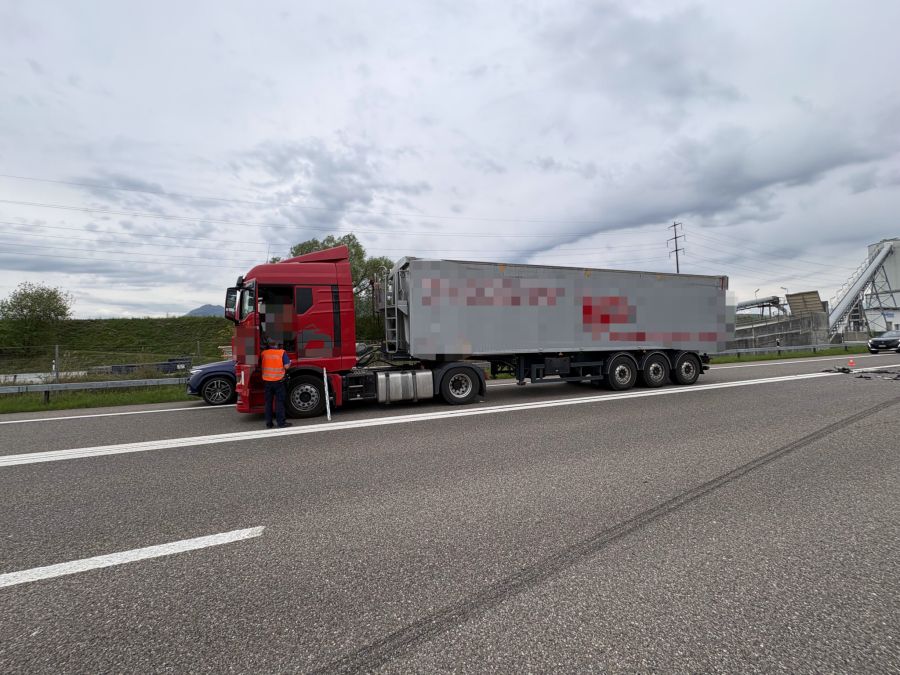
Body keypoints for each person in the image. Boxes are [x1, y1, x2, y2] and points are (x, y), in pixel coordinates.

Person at [261, 340, 292, 429]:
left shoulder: (264, 353)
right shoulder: (282, 352)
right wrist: (290, 362)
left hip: (267, 381)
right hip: (278, 381)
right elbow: (286, 366)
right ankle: (281, 423)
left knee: (268, 403)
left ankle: (269, 423)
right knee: (279, 402)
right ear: (278, 345)